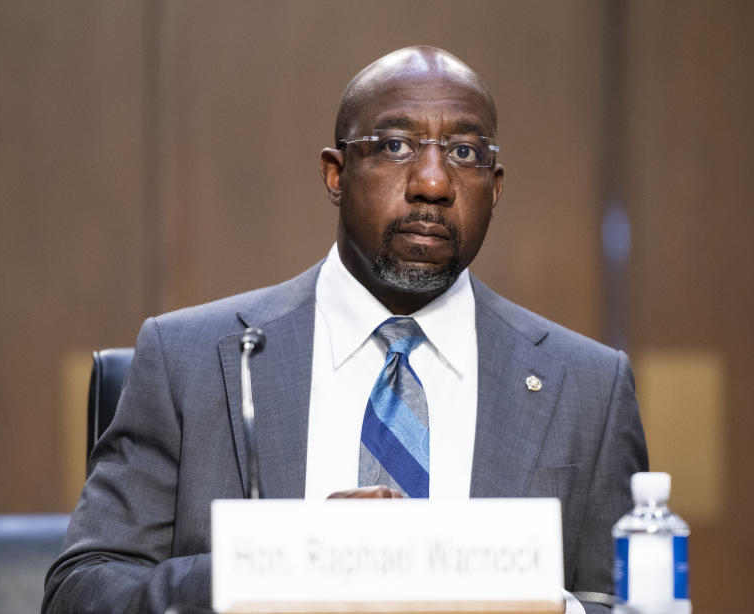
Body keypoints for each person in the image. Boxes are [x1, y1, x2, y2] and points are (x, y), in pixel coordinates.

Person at [43, 46, 648, 614]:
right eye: (394, 146)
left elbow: (623, 603)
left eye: (464, 153)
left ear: (495, 188)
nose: (433, 183)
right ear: (336, 175)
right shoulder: (190, 360)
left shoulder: (588, 387)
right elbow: (82, 590)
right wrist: (287, 563)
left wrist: (529, 600)